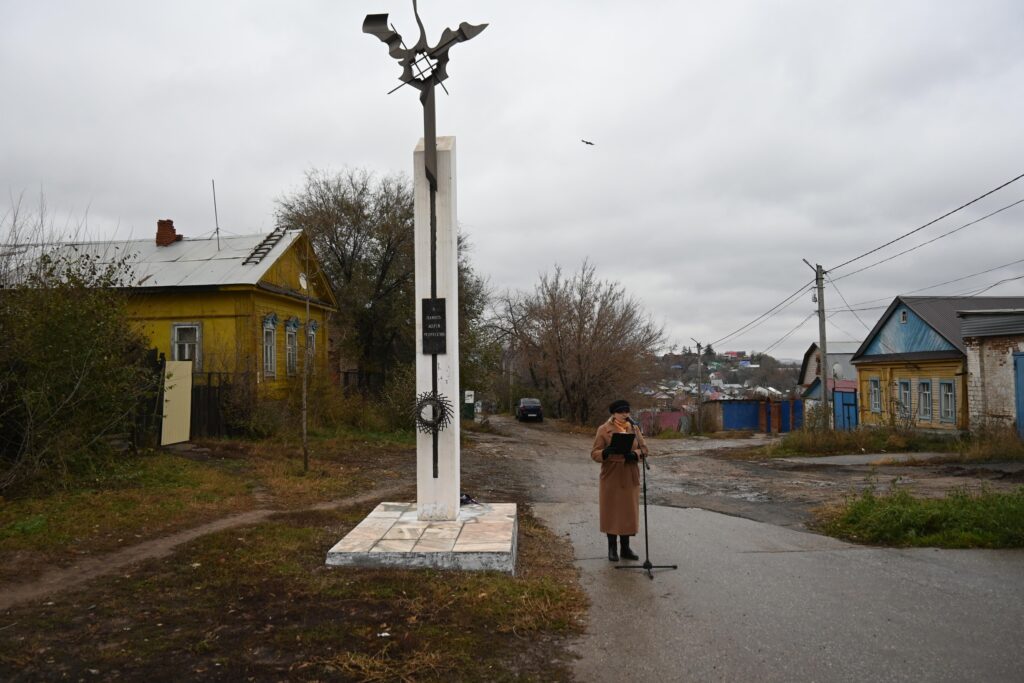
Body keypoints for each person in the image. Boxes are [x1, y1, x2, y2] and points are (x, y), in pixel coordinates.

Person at [590, 399, 648, 561]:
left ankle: (625, 548)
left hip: (629, 474)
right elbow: (594, 453)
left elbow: (644, 449)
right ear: (613, 413)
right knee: (612, 512)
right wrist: (605, 452)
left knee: (627, 513)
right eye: (621, 411)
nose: (624, 414)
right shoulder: (603, 429)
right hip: (611, 475)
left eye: (627, 411)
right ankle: (612, 548)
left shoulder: (634, 428)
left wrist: (635, 454)